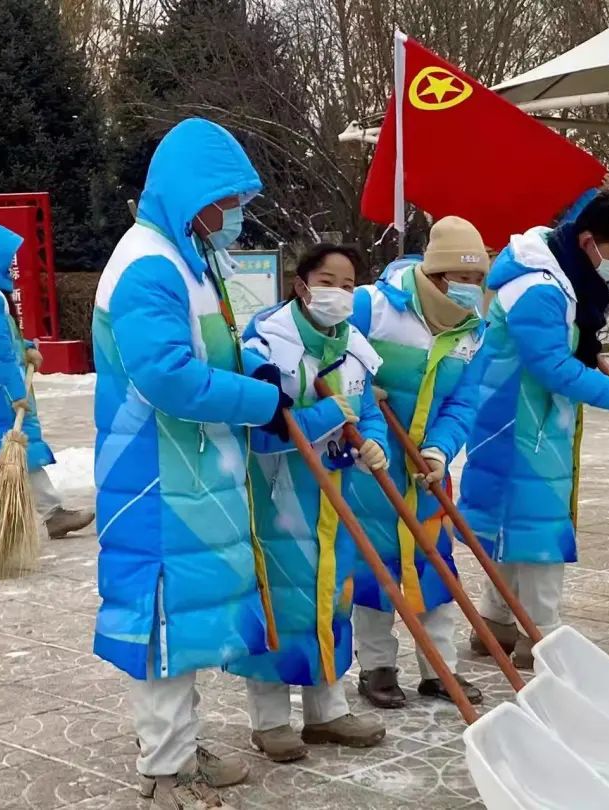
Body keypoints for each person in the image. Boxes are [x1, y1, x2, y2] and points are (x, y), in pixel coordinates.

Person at [92, 118, 294, 809]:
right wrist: (260, 401)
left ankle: (178, 746)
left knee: (184, 624)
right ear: (192, 195)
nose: (236, 212)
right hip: (154, 479)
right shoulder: (149, 265)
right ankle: (164, 769)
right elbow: (167, 376)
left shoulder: (188, 259)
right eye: (227, 199)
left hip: (192, 472)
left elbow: (209, 353)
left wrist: (253, 370)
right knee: (161, 625)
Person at [458, 189, 609, 669]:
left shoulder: (557, 272)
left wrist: (585, 342)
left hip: (525, 420)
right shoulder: (540, 286)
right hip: (521, 425)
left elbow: (560, 344)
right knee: (540, 533)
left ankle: (496, 622)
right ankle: (541, 635)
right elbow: (552, 368)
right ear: (588, 241)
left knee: (514, 526)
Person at [226, 243, 388, 762]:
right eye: (327, 281)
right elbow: (260, 430)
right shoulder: (264, 346)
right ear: (301, 285)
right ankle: (270, 720)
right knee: (278, 604)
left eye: (348, 285)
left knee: (331, 598)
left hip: (333, 500)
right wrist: (326, 416)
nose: (338, 293)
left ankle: (327, 711)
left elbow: (365, 409)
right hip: (278, 499)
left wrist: (374, 441)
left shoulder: (354, 345)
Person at [347, 216, 488, 709]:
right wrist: (358, 390)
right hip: (368, 464)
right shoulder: (372, 307)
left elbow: (463, 403)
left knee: (435, 568)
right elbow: (326, 352)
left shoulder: (473, 331)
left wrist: (440, 450)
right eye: (462, 277)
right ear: (436, 273)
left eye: (478, 279)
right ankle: (377, 667)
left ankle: (440, 667)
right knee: (374, 569)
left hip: (425, 471)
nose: (471, 288)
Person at [0, 224, 94, 538]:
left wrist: (27, 347)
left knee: (11, 452)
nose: (11, 267)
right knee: (12, 449)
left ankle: (49, 513)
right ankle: (47, 514)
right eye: (6, 259)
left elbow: (5, 339)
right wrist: (15, 392)